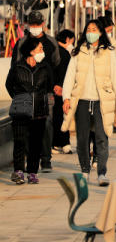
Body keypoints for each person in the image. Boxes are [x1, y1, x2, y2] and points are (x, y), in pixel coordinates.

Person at [62, 20, 116, 186]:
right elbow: (70, 76)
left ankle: (102, 173)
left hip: (101, 101)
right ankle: (84, 170)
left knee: (101, 137)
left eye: (94, 29)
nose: (91, 32)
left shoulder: (108, 52)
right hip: (82, 100)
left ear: (100, 33)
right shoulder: (78, 52)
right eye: (88, 29)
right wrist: (66, 97)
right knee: (82, 139)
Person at [11, 10, 62, 173]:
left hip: (45, 93)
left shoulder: (51, 42)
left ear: (43, 24)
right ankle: (30, 160)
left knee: (45, 125)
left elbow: (58, 65)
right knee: (26, 128)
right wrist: (17, 95)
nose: (34, 27)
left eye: (37, 24)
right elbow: (15, 68)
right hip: (25, 93)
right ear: (27, 24)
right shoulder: (21, 43)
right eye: (31, 24)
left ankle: (46, 160)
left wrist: (58, 84)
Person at [6, 38, 53, 185]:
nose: (42, 52)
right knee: (19, 140)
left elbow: (50, 85)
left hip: (39, 108)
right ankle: (18, 171)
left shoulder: (45, 67)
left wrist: (40, 97)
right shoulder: (17, 66)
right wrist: (19, 98)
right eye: (40, 49)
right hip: (21, 106)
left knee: (35, 143)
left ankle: (32, 171)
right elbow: (9, 84)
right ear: (30, 51)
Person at [52, 28, 75, 154]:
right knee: (61, 116)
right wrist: (60, 86)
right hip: (61, 89)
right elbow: (63, 71)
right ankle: (61, 143)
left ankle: (60, 143)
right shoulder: (63, 53)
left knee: (59, 116)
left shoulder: (55, 50)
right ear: (67, 39)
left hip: (58, 88)